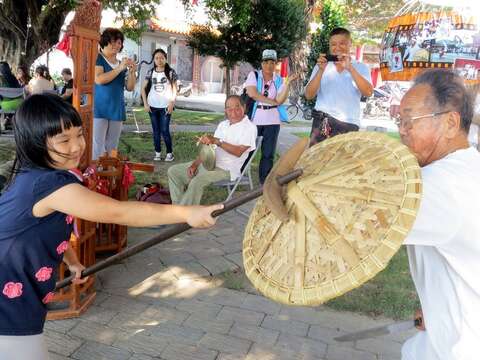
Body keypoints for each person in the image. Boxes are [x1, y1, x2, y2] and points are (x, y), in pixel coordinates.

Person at [0, 94, 222, 360]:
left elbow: (49, 229)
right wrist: (187, 212)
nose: (77, 146)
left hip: (21, 300)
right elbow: (118, 211)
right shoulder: (47, 185)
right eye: (63, 140)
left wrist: (72, 262)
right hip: (9, 308)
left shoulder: (41, 178)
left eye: (78, 135)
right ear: (36, 144)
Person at [396, 70, 480, 359]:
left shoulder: (439, 184)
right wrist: (439, 306)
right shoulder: (469, 167)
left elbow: (362, 220)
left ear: (450, 123)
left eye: (409, 121)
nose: (402, 130)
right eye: (400, 121)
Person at [168, 95, 257, 205]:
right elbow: (209, 150)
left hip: (226, 170)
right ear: (225, 110)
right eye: (229, 108)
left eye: (237, 107)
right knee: (173, 171)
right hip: (209, 164)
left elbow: (238, 152)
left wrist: (217, 141)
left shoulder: (249, 128)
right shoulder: (223, 125)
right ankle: (177, 209)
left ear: (244, 107)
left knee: (197, 181)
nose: (233, 111)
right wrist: (195, 164)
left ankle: (184, 215)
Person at [304, 27, 373, 147]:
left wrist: (350, 68)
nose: (337, 47)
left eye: (342, 43)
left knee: (342, 165)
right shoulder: (321, 66)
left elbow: (368, 92)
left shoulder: (361, 67)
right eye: (333, 44)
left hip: (349, 123)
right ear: (330, 46)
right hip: (322, 122)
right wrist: (320, 71)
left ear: (350, 43)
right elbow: (308, 95)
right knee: (315, 163)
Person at [245, 49, 293, 184]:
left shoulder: (279, 80)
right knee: (247, 148)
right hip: (255, 119)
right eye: (266, 62)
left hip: (273, 120)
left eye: (272, 62)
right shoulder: (253, 75)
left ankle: (264, 181)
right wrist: (273, 102)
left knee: (268, 154)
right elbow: (253, 93)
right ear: (262, 63)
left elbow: (281, 100)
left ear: (275, 64)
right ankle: (239, 174)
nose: (269, 65)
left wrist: (287, 85)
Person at [93, 27, 136, 160]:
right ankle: (96, 175)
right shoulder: (98, 58)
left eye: (119, 42)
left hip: (117, 108)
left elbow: (129, 87)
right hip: (99, 109)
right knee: (97, 146)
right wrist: (120, 68)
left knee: (112, 146)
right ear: (104, 41)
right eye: (113, 41)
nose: (117, 45)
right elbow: (99, 79)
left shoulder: (120, 63)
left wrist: (132, 71)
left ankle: (110, 174)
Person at [140, 48, 178, 162]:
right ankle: (157, 153)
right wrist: (146, 104)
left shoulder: (171, 72)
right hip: (152, 106)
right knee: (156, 131)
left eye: (161, 57)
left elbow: (175, 89)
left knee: (164, 130)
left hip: (166, 106)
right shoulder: (150, 72)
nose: (159, 60)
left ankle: (169, 153)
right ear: (154, 60)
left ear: (165, 58)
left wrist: (172, 103)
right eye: (156, 58)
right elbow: (142, 88)